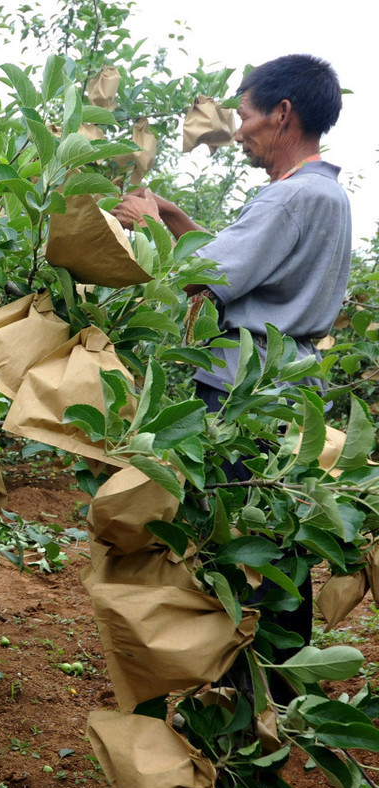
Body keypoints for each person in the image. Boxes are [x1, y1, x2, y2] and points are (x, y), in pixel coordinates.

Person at [111, 54, 351, 684]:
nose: (237, 129)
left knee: (231, 536)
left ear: (282, 113)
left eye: (244, 115)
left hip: (244, 390)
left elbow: (201, 276)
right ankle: (279, 684)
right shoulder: (321, 193)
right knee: (275, 532)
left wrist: (145, 230)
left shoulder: (292, 197)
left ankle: (237, 691)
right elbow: (249, 267)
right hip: (286, 388)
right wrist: (179, 219)